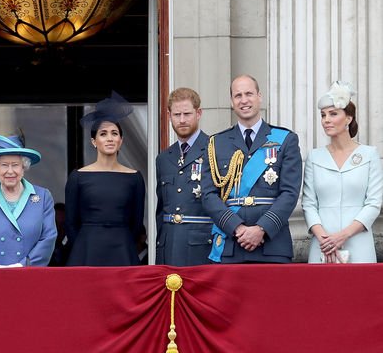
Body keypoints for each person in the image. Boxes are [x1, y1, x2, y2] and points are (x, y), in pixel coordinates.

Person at [201, 75, 302, 263]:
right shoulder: (216, 143)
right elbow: (208, 196)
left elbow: (289, 193)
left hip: (272, 245)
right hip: (231, 244)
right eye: (238, 95)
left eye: (249, 93)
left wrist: (261, 229)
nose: (244, 100)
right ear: (232, 102)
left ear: (259, 96)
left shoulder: (285, 139)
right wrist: (237, 229)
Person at [302, 81, 383, 263]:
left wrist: (343, 235)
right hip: (323, 246)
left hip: (358, 242)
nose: (326, 120)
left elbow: (374, 203)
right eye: (323, 115)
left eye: (333, 114)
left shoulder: (369, 154)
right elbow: (308, 203)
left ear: (349, 118)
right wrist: (325, 239)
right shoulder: (315, 157)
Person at [65, 91, 145, 266]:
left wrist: (122, 238)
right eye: (103, 134)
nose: (109, 138)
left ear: (121, 140)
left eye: (114, 133)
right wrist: (84, 243)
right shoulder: (78, 177)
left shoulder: (135, 178)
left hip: (123, 251)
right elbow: (70, 224)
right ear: (94, 141)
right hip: (86, 251)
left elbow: (136, 224)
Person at [0, 135, 57, 267]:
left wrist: (23, 265)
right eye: (4, 165)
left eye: (15, 165)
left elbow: (48, 238)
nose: (10, 171)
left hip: (29, 275)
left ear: (23, 168)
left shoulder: (42, 197)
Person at [155, 87, 213, 266]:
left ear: (198, 113)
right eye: (176, 114)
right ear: (169, 115)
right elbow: (161, 210)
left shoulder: (215, 150)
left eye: (187, 114)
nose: (182, 120)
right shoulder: (164, 158)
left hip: (202, 248)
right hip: (168, 247)